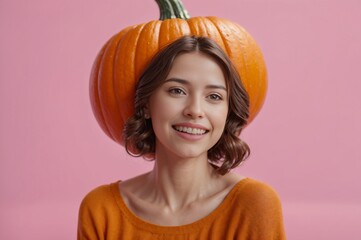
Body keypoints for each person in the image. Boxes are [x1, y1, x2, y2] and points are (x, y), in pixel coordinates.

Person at [77, 36, 286, 239]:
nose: (195, 110)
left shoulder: (254, 203)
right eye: (177, 91)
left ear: (227, 111)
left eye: (214, 96)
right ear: (147, 104)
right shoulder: (102, 210)